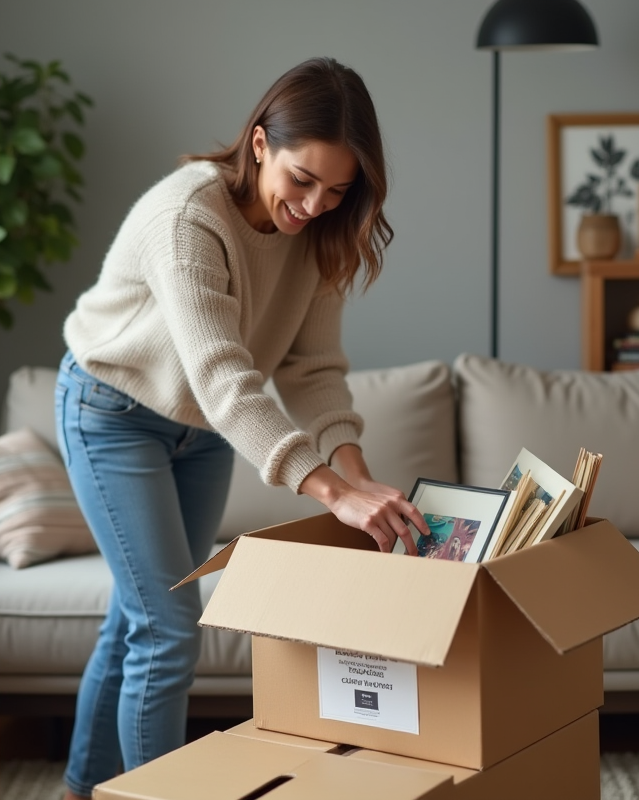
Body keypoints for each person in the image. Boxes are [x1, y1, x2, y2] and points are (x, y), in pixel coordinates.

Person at [54, 57, 428, 799]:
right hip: (112, 415)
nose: (316, 204)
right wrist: (327, 491)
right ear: (259, 143)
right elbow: (224, 378)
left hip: (200, 436)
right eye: (302, 180)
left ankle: (82, 788)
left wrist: (356, 474)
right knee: (167, 632)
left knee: (136, 622)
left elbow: (314, 369)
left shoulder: (321, 233)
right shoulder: (187, 216)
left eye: (338, 189)